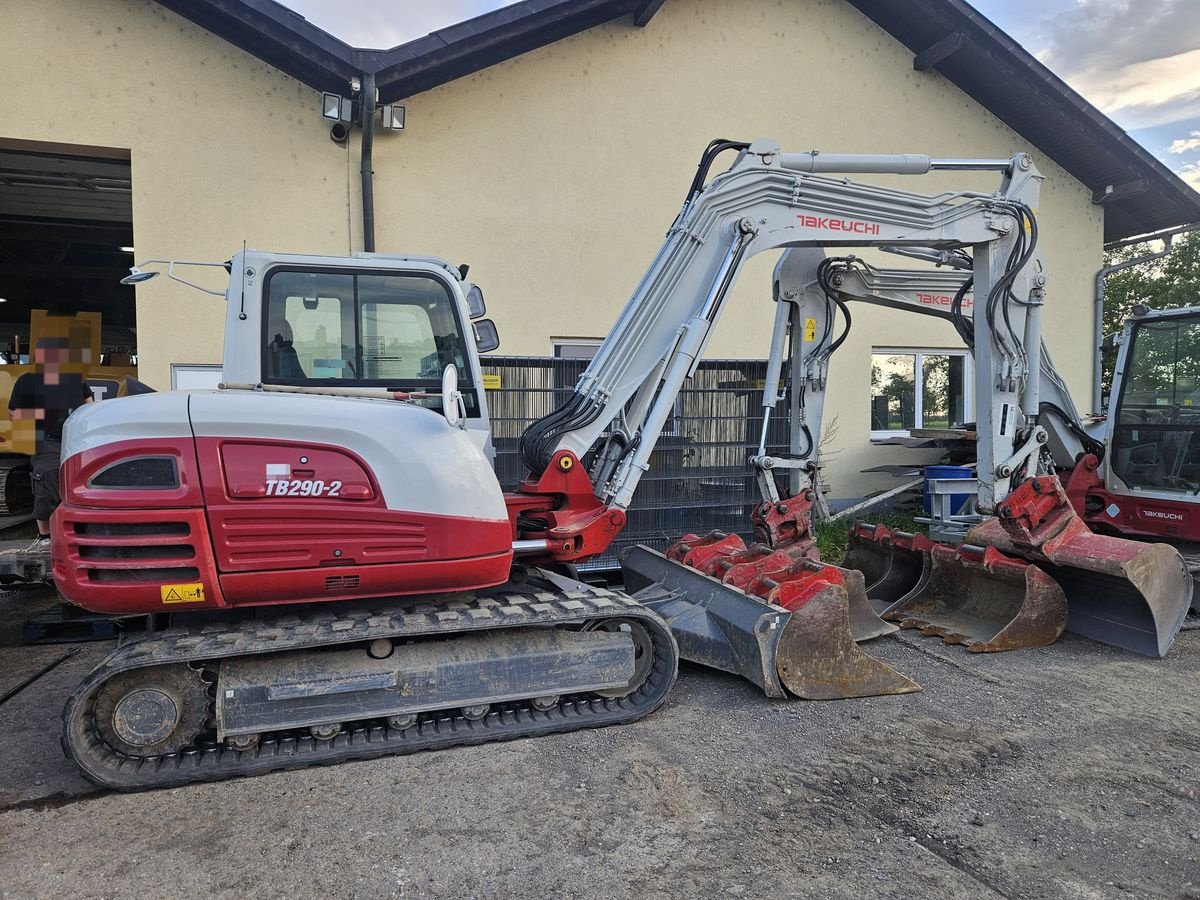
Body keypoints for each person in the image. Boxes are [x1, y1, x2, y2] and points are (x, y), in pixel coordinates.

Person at [8, 336, 93, 553]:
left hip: (75, 442)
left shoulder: (76, 380)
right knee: (47, 487)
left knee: (80, 487)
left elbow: (89, 405)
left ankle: (79, 534)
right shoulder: (27, 381)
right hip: (46, 442)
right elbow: (13, 413)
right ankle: (45, 538)